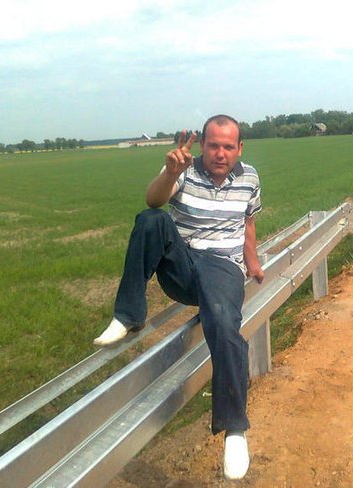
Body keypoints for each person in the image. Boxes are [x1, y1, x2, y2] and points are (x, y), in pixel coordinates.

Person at [93, 114, 264, 480]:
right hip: (183, 264)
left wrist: (252, 261)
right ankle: (128, 315)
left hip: (222, 267)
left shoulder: (249, 177)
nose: (220, 153)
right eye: (213, 145)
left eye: (228, 146)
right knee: (150, 218)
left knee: (223, 322)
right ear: (202, 145)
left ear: (239, 148)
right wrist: (171, 173)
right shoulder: (183, 167)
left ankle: (235, 429)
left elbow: (248, 221)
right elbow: (154, 199)